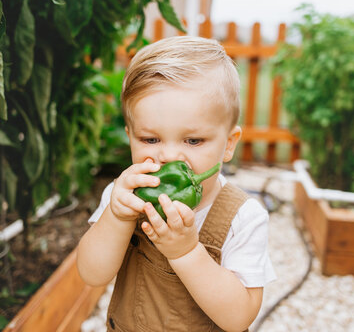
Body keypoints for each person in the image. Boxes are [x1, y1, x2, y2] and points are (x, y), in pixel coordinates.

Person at [77, 35, 275, 332]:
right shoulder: (126, 197)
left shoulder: (243, 218)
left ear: (229, 143)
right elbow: (91, 273)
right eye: (150, 139)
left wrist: (186, 253)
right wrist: (116, 217)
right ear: (130, 135)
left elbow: (239, 317)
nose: (168, 155)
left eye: (193, 140)